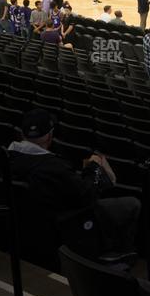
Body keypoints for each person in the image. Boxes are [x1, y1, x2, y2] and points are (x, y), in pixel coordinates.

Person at [9, 110, 139, 260]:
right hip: (70, 221)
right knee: (132, 203)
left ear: (22, 134)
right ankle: (117, 253)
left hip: (31, 227)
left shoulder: (9, 157)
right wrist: (94, 168)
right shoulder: (52, 166)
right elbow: (87, 194)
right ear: (50, 135)